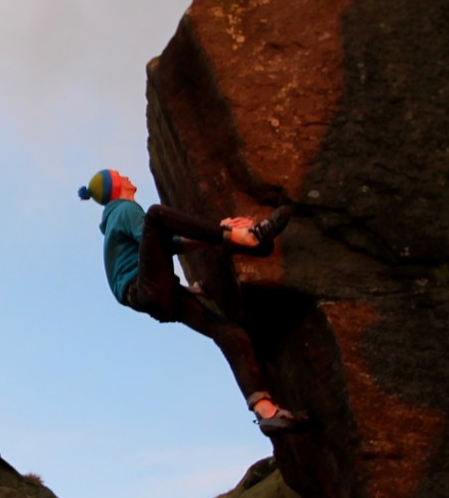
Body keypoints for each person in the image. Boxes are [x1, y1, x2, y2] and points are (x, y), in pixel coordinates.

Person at [78, 168, 305, 435]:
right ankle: (251, 237)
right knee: (156, 215)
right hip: (146, 289)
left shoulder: (116, 220)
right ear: (114, 186)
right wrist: (227, 233)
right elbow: (165, 239)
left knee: (232, 335)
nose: (126, 176)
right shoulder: (123, 210)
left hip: (158, 297)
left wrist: (220, 234)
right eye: (119, 175)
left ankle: (267, 413)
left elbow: (167, 244)